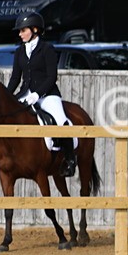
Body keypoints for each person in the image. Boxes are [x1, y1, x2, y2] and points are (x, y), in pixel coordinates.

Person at [8, 12, 76, 177]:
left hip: (47, 94)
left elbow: (52, 77)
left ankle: (69, 160)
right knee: (8, 117)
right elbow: (16, 77)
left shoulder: (47, 49)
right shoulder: (19, 52)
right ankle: (9, 160)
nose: (20, 34)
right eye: (20, 31)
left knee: (61, 121)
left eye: (23, 30)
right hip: (25, 93)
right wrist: (7, 96)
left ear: (35, 29)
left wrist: (38, 94)